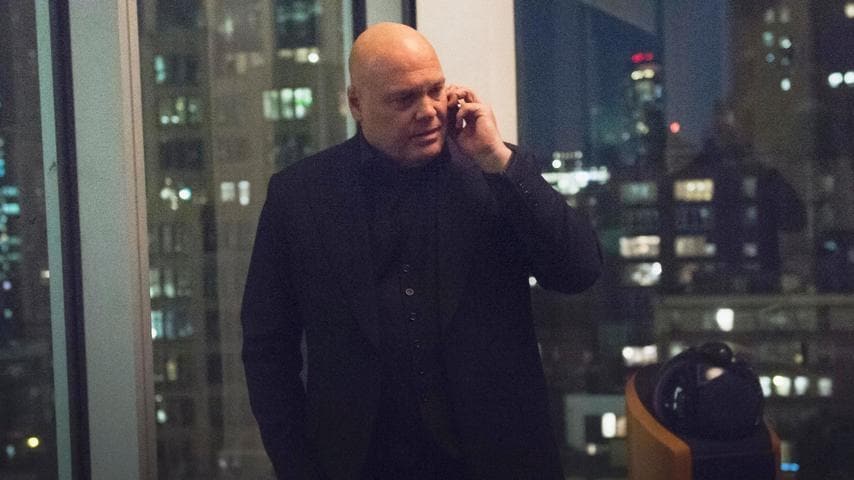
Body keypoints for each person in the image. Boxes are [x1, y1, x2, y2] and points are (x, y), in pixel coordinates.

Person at [241, 22, 602, 480]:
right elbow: (268, 348)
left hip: (497, 460)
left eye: (435, 90)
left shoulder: (494, 172)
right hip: (357, 465)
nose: (429, 111)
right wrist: (297, 468)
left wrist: (498, 160)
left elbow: (578, 271)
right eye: (404, 99)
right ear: (356, 104)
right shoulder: (300, 196)